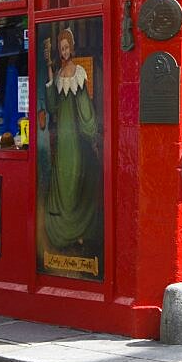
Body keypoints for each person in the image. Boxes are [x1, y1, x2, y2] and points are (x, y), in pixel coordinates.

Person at [43, 28, 101, 250]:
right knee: (63, 177)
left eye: (67, 47)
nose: (64, 51)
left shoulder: (78, 72)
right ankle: (64, 230)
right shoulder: (57, 74)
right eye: (61, 49)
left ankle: (79, 229)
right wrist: (49, 68)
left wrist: (91, 130)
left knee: (75, 177)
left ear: (72, 48)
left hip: (75, 136)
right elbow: (52, 106)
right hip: (63, 136)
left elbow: (85, 104)